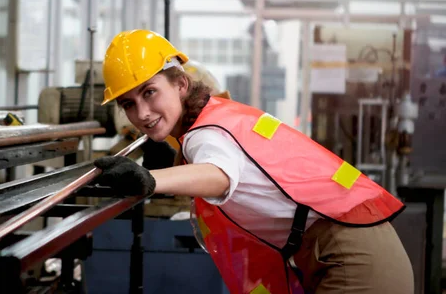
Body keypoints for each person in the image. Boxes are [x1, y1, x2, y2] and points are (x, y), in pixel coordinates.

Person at [94, 30, 414, 294]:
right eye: (129, 104)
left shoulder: (204, 134)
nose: (142, 113)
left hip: (349, 256)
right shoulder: (216, 116)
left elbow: (219, 174)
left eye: (149, 92)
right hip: (344, 249)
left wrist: (150, 179)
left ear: (180, 84)